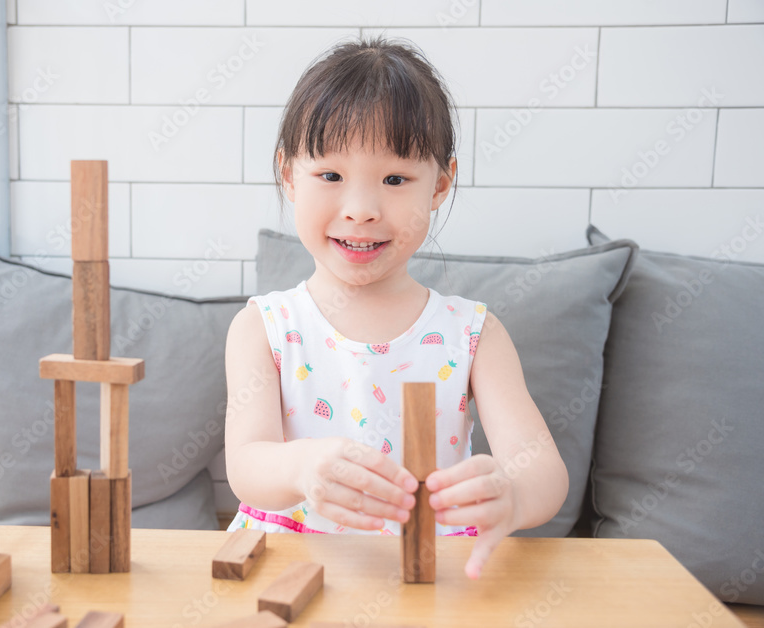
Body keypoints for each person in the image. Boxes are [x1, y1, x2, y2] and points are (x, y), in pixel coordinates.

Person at [223, 34, 569, 580]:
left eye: (395, 179)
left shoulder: (473, 334)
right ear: (289, 174)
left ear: (441, 185)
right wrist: (303, 465)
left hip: (430, 571)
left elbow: (542, 469)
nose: (361, 210)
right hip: (289, 572)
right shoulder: (264, 327)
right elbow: (245, 464)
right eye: (331, 176)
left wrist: (513, 494)